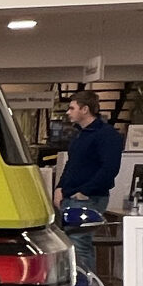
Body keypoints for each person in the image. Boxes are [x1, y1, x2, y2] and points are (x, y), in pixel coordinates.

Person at [56, 93, 123, 272]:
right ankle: (78, 279)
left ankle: (84, 281)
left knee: (80, 244)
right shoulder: (81, 135)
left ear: (85, 109)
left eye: (72, 108)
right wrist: (60, 187)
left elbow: (110, 168)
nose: (68, 112)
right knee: (73, 243)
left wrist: (85, 191)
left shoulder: (106, 135)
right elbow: (72, 164)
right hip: (71, 195)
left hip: (87, 197)